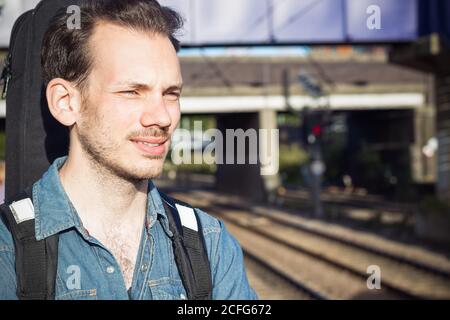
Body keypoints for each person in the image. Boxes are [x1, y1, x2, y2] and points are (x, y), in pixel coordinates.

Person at [0, 0, 257, 300]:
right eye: (132, 92)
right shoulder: (7, 249)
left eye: (171, 94)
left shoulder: (210, 245)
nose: (162, 117)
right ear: (66, 102)